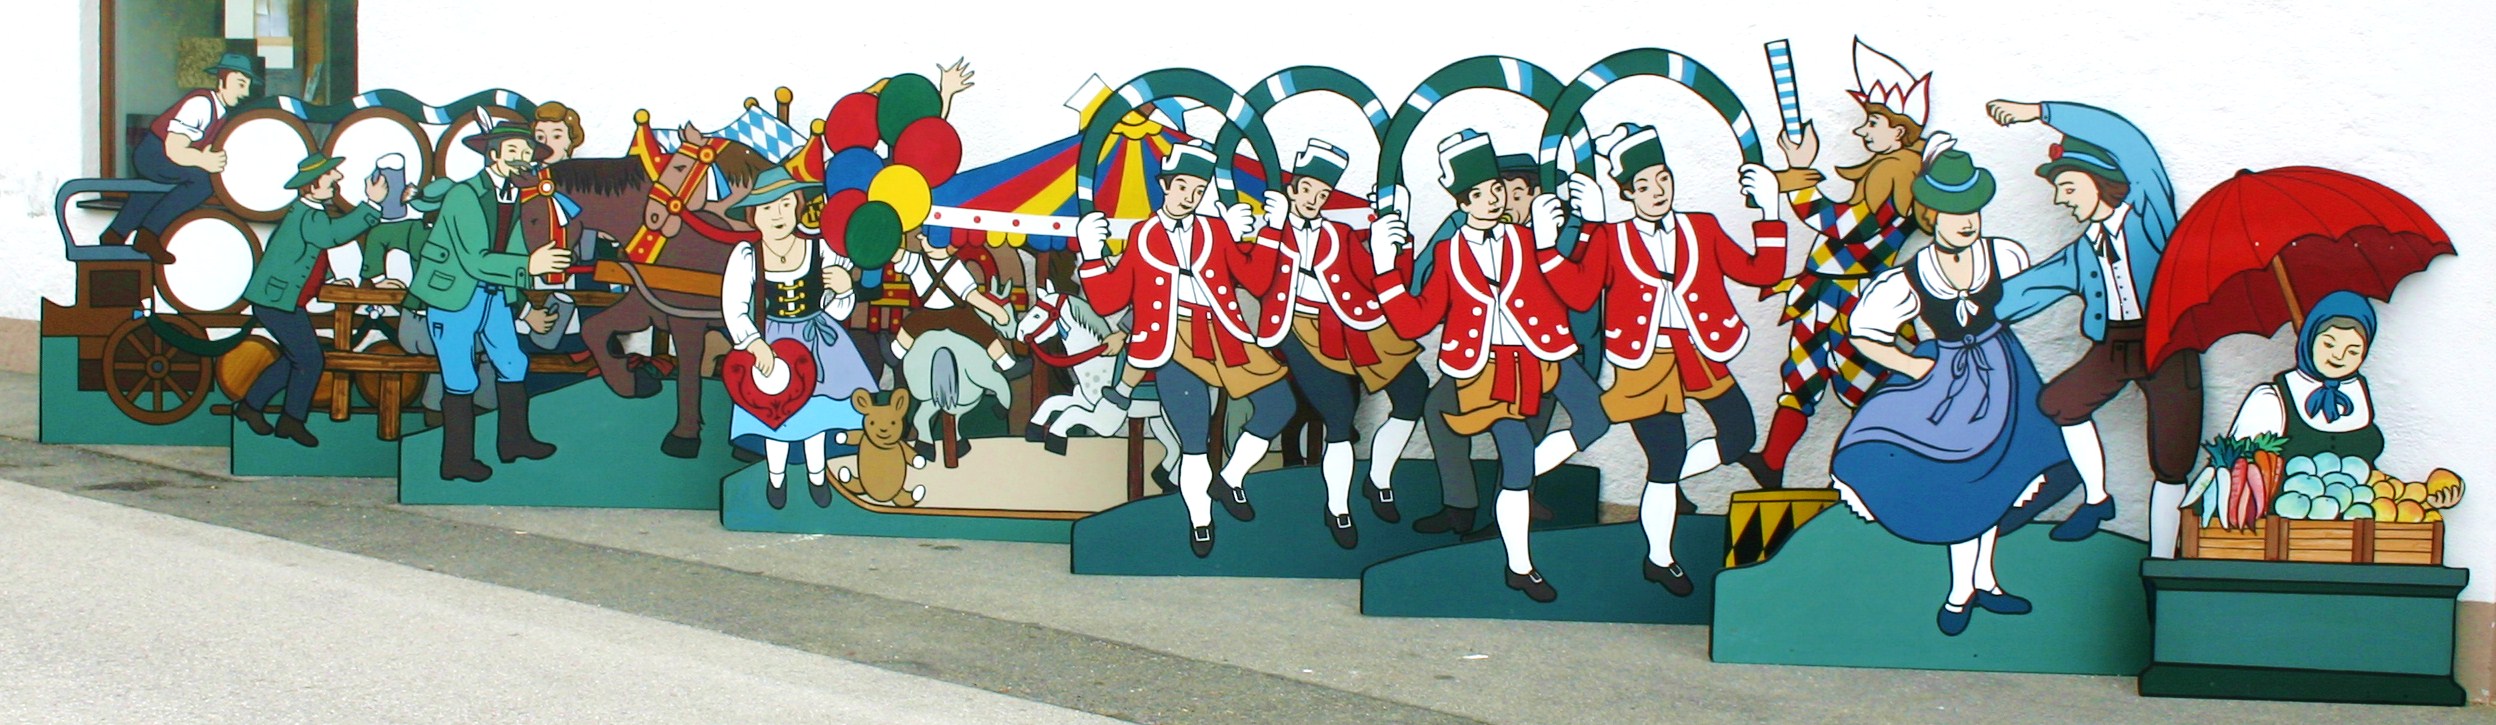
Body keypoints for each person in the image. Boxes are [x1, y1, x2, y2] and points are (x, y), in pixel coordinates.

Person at [1829, 148, 2081, 636]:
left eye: (1973, 210)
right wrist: (1909, 363)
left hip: (2007, 375)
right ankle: (1961, 591)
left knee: (2002, 475)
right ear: (1931, 216)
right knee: (1962, 479)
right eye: (1955, 212)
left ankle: (1983, 582)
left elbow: (2025, 298)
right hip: (1947, 386)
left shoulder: (2003, 256)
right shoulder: (1912, 275)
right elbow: (1864, 331)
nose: (1967, 221)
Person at [1369, 129, 1610, 603]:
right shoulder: (1450, 251)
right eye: (1479, 194)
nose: (1493, 198)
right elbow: (1416, 319)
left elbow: (1581, 292)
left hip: (1547, 353)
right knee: (1513, 463)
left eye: (1496, 189)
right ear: (1463, 202)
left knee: (1596, 418)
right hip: (1488, 369)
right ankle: (1520, 566)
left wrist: (1589, 227)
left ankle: (1521, 481)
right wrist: (1384, 267)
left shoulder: (1530, 239)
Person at [1551, 125, 1786, 596]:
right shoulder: (1611, 237)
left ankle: (1668, 484)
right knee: (1663, 458)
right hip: (1645, 362)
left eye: (1663, 179)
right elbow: (1577, 294)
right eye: (1642, 185)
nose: (1656, 191)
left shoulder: (1702, 228)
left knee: (1740, 434)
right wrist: (1557, 240)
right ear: (1626, 193)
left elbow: (1761, 271)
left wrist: (1770, 210)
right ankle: (1660, 557)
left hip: (1702, 352)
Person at [1988, 99, 2200, 555]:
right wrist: (1967, 307)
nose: (2060, 199)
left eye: (2067, 186)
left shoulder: (2149, 215)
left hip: (2166, 345)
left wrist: (2038, 111)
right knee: (2061, 402)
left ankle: (2163, 554)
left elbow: (2128, 141)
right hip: (2115, 345)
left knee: (2172, 456)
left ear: (2101, 179)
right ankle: (2097, 499)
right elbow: (2038, 285)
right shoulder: (2087, 247)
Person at [1073, 140, 1292, 558]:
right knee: (1193, 439)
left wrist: (1271, 231)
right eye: (1182, 187)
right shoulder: (1142, 235)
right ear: (1165, 186)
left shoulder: (1215, 230)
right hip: (1169, 344)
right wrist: (1091, 254)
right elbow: (1108, 300)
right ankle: (1200, 521)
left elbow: (1257, 280)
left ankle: (1230, 478)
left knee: (1279, 403)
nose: (1190, 197)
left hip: (1226, 334)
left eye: (1198, 190)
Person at [1742, 40, 1932, 489]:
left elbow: (1844, 226)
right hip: (1823, 297)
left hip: (1852, 304)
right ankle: (1772, 462)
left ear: (1898, 133)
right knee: (1802, 382)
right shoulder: (1882, 174)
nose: (1862, 131)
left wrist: (1796, 178)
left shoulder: (1895, 179)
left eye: (1873, 122)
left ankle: (1866, 478)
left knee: (1864, 388)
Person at [1252, 139, 1428, 548]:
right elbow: (1255, 281)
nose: (1313, 199)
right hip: (1298, 329)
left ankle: (1378, 478)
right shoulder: (1268, 232)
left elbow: (1378, 280)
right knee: (1339, 415)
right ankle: (1338, 509)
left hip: (1355, 323)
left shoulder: (1341, 233)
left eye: (1322, 194)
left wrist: (1396, 244)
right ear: (1292, 188)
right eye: (1307, 189)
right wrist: (1265, 231)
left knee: (1414, 390)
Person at [409, 122, 572, 482]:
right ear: (493, 155)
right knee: (460, 376)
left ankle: (514, 442)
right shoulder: (464, 195)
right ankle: (456, 461)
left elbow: (511, 253)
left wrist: (525, 307)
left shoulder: (515, 197)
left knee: (513, 362)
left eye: (526, 153)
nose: (521, 158)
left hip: (494, 293)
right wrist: (531, 265)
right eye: (513, 151)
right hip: (453, 296)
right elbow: (475, 259)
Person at [722, 168, 881, 509]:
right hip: (772, 344)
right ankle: (776, 478)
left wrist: (844, 289)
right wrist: (755, 344)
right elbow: (734, 308)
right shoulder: (747, 256)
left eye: (785, 204)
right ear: (753, 216)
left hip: (819, 342)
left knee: (816, 416)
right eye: (767, 208)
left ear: (798, 206)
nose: (777, 214)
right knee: (775, 416)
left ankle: (817, 476)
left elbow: (837, 311)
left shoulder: (820, 250)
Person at [233, 154, 389, 447]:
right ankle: (290, 420)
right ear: (313, 185)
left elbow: (304, 255)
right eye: (331, 177)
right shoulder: (308, 214)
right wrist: (372, 205)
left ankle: (252, 407)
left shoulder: (307, 213)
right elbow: (332, 236)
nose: (338, 180)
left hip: (280, 300)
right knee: (311, 359)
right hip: (276, 301)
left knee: (297, 358)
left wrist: (327, 281)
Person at [106, 52, 257, 264]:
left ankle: (115, 234)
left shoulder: (221, 113)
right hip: (154, 154)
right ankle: (149, 234)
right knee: (203, 181)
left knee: (151, 193)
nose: (245, 93)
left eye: (248, 86)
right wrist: (203, 160)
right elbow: (174, 149)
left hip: (167, 157)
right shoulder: (201, 104)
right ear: (222, 80)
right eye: (240, 84)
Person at [2224, 292, 2384, 461]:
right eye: (2329, 344)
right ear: (2309, 338)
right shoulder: (2271, 400)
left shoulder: (2357, 390)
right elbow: (2239, 465)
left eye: (2353, 351)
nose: (2339, 356)